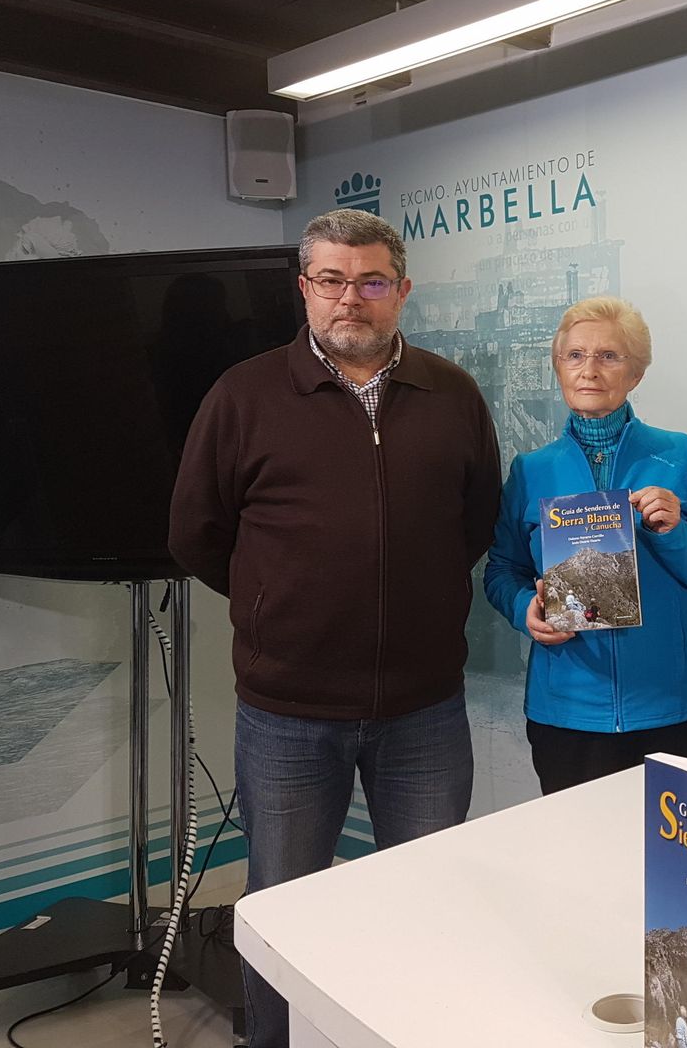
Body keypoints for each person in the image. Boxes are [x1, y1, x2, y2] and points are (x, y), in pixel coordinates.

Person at [169, 208, 501, 1047]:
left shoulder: (452, 394)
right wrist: (280, 605)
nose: (351, 297)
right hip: (288, 713)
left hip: (425, 710)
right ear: (305, 290)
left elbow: (475, 523)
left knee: (426, 901)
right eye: (331, 279)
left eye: (371, 280)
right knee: (284, 910)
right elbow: (197, 535)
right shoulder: (243, 395)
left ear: (401, 291)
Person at [484, 296, 687, 793]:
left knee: (677, 868)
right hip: (566, 714)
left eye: (609, 356)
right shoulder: (530, 471)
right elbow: (501, 572)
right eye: (575, 355)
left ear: (636, 374)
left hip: (673, 709)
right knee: (581, 864)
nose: (590, 370)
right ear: (558, 366)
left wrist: (674, 532)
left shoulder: (679, 456)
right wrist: (526, 610)